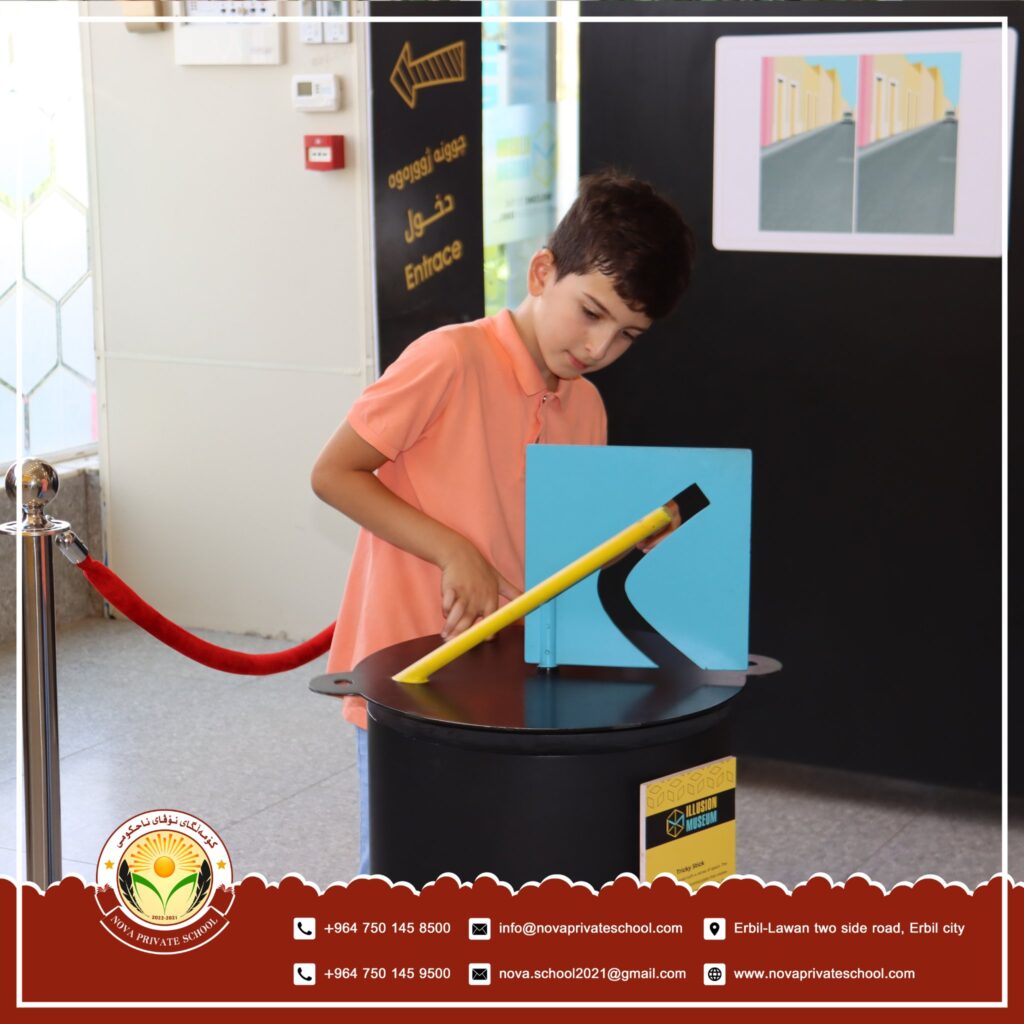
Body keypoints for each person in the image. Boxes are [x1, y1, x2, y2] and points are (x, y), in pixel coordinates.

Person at [310, 171, 696, 875]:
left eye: (627, 335)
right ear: (542, 271)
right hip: (410, 677)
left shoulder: (587, 406)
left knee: (502, 864)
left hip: (511, 683)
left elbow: (562, 553)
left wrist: (626, 549)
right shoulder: (448, 358)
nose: (599, 348)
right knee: (407, 876)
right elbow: (333, 473)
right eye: (590, 312)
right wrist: (453, 550)